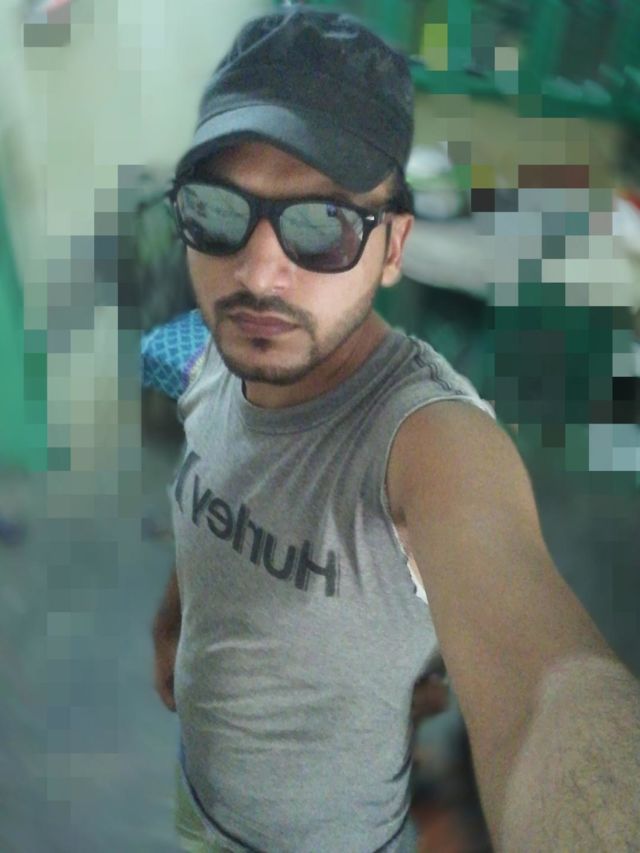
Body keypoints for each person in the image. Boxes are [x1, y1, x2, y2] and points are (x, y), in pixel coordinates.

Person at [151, 8, 640, 852]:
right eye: (217, 210)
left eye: (322, 225)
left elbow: (549, 690)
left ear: (394, 247)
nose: (257, 273)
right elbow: (217, 491)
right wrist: (176, 618)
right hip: (198, 797)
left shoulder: (428, 441)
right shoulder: (205, 359)